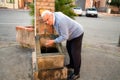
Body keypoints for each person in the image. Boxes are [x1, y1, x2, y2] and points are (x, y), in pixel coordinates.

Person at [41, 10, 84, 80]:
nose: (47, 22)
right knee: (69, 48)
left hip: (77, 33)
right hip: (70, 34)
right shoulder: (54, 16)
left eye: (47, 20)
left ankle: (77, 73)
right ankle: (72, 64)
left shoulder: (60, 21)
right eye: (45, 21)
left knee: (75, 53)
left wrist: (53, 41)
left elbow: (64, 37)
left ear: (51, 15)